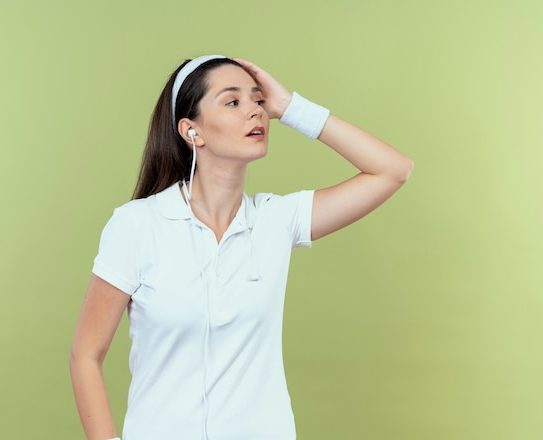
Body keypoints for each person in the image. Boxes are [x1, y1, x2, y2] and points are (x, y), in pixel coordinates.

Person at [69, 55, 413, 440]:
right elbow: (86, 356)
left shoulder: (276, 220)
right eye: (233, 102)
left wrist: (292, 108)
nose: (255, 111)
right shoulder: (137, 225)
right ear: (191, 131)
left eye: (258, 100)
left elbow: (393, 170)